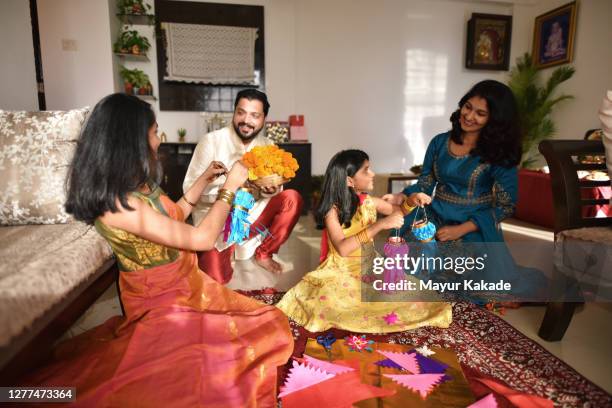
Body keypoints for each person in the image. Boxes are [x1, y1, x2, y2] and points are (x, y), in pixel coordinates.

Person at [22, 94, 293, 407]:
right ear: (132, 141)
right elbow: (201, 239)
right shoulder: (119, 205)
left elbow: (173, 214)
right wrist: (231, 187)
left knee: (263, 320)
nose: (159, 138)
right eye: (154, 131)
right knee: (211, 367)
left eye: (255, 115)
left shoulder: (138, 184)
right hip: (161, 299)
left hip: (188, 279)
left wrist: (206, 180)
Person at [384, 80, 546, 302]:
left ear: (494, 120)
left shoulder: (499, 153)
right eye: (467, 107)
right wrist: (401, 196)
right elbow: (425, 182)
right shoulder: (440, 142)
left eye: (480, 113)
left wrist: (461, 229)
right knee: (410, 251)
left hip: (473, 223)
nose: (469, 116)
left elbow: (506, 205)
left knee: (471, 276)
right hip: (436, 213)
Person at [276, 150, 452, 333]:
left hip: (370, 267)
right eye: (366, 170)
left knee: (413, 299)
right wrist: (379, 225)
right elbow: (343, 249)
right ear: (349, 181)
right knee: (334, 307)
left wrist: (412, 201)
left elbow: (398, 210)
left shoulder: (368, 201)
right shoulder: (332, 211)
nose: (373, 174)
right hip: (342, 272)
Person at [183, 89, 303, 283]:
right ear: (234, 112)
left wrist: (271, 190)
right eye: (241, 112)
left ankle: (264, 253)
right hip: (217, 226)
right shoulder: (211, 141)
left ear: (264, 119)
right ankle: (226, 251)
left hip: (252, 219)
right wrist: (230, 190)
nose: (246, 120)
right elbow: (189, 189)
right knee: (215, 281)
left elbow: (274, 187)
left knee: (292, 198)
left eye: (255, 115)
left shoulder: (267, 144)